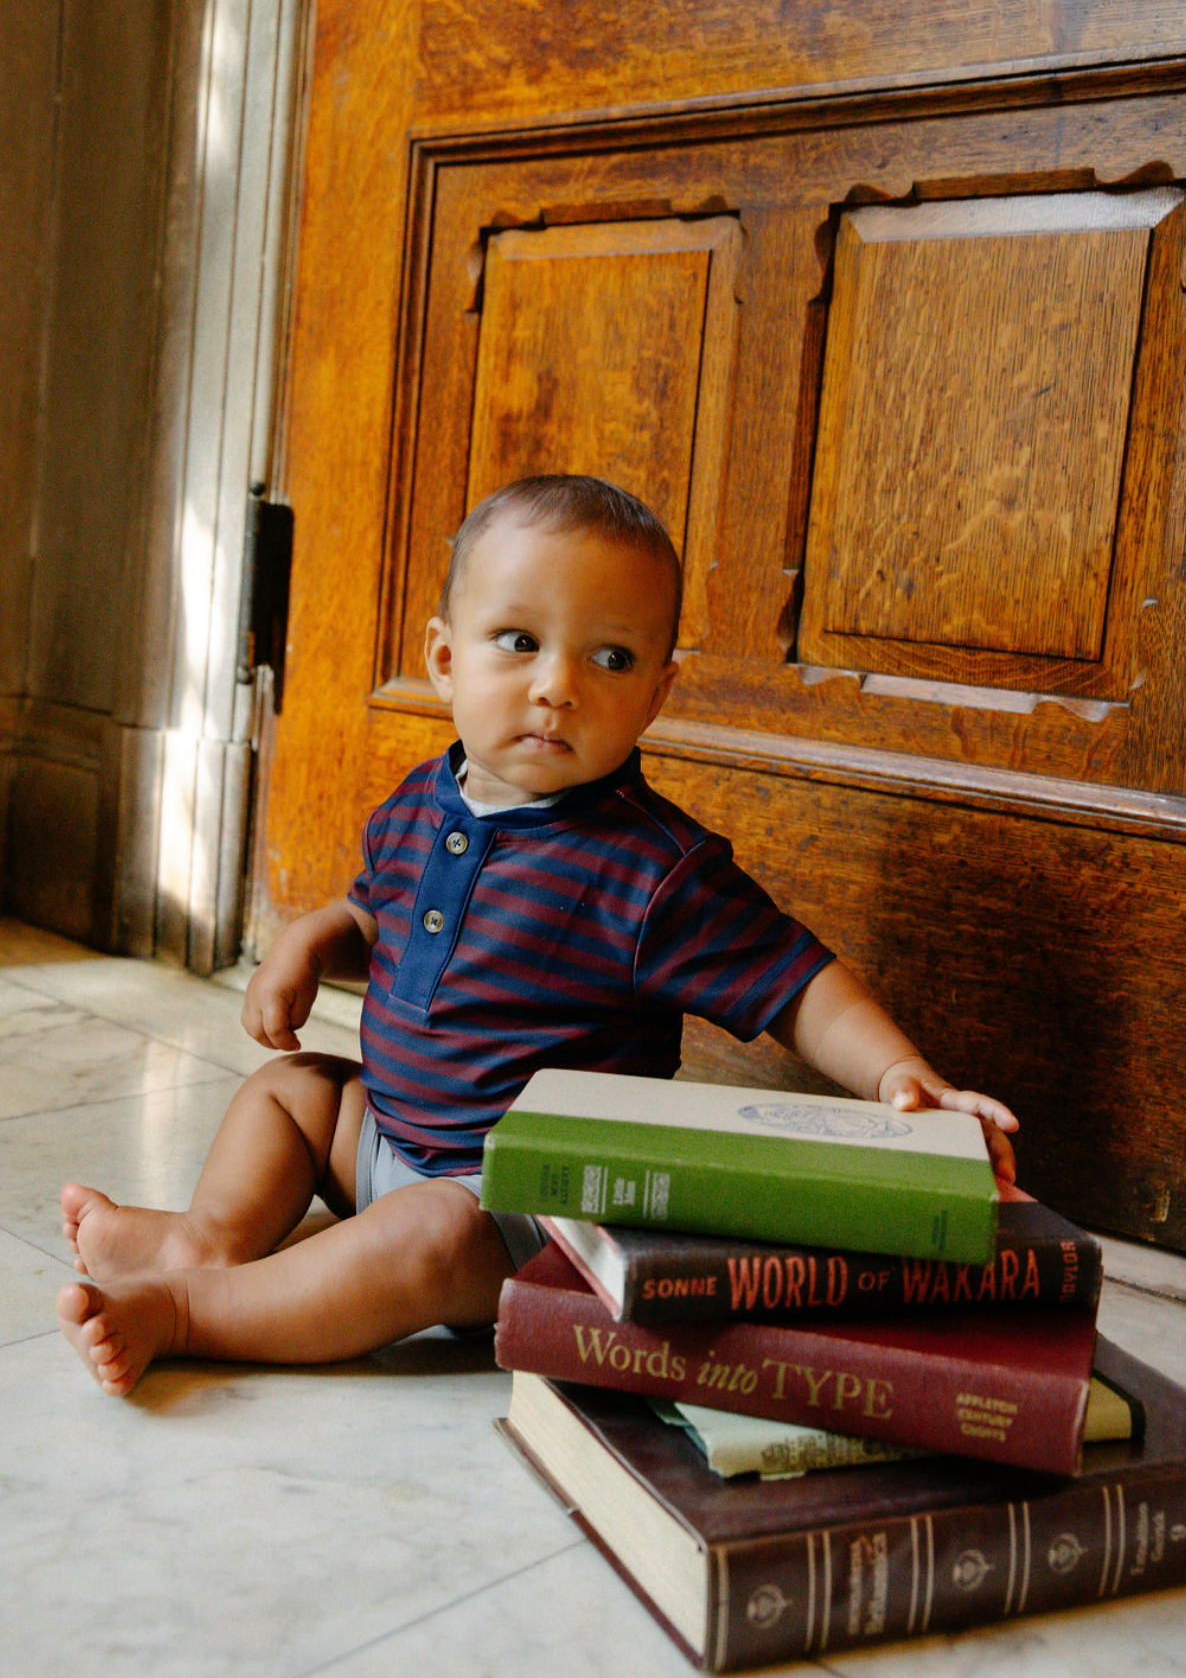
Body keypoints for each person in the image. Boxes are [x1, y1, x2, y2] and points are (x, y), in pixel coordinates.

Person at [57, 475, 1018, 1396]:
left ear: (657, 694)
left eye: (610, 658)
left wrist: (901, 1074)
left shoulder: (653, 869)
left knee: (425, 1239)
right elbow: (375, 920)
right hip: (389, 1134)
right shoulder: (414, 806)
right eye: (518, 640)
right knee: (291, 1092)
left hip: (519, 1204)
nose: (557, 685)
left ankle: (191, 1309)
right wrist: (312, 939)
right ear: (444, 659)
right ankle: (207, 1240)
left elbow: (797, 984)